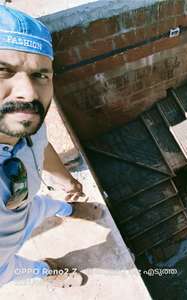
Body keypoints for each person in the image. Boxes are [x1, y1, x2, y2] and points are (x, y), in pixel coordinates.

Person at [0, 6, 102, 288]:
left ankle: (67, 209)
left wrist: (66, 181)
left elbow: (40, 146)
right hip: (2, 256)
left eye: (40, 75)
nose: (29, 92)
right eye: (2, 70)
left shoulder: (22, 121)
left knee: (42, 205)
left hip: (27, 204)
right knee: (11, 271)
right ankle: (45, 272)